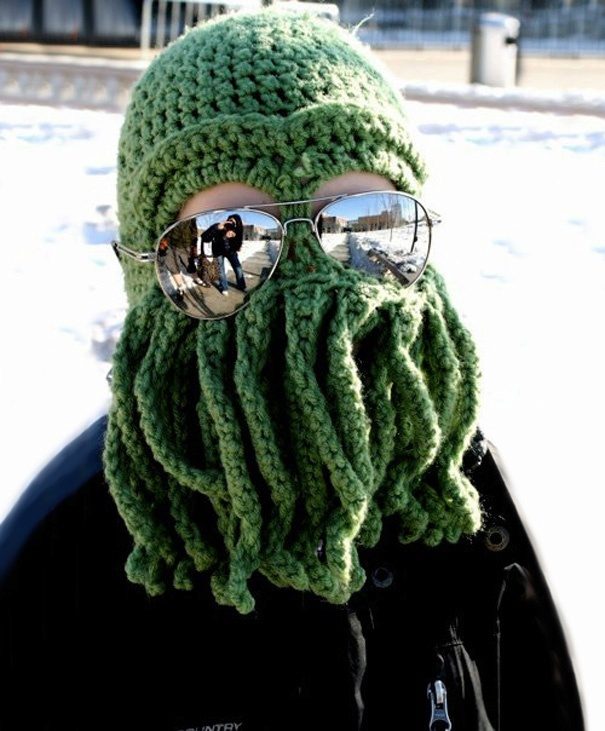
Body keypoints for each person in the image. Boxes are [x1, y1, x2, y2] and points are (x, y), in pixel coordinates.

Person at [0, 9, 584, 731]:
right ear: (148, 271)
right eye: (226, 246)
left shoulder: (446, 484)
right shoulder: (68, 551)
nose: (314, 289)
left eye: (368, 227)